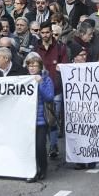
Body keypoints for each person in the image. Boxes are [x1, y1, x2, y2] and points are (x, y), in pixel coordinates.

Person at [24, 52, 55, 183]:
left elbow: (49, 97)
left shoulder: (46, 79)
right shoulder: (23, 79)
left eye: (35, 66)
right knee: (28, 148)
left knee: (40, 146)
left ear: (40, 67)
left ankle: (43, 168)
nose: (32, 68)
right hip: (26, 120)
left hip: (41, 120)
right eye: (30, 66)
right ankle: (32, 171)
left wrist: (41, 82)